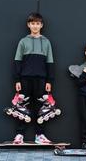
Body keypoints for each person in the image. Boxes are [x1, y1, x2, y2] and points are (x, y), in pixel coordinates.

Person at [12, 12, 55, 144]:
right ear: (28, 25)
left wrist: (49, 80)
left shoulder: (46, 42)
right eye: (32, 23)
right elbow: (17, 61)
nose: (35, 26)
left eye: (37, 23)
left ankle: (39, 135)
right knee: (22, 106)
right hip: (25, 79)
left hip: (41, 80)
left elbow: (50, 63)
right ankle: (19, 135)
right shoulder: (23, 41)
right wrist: (17, 79)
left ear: (41, 25)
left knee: (40, 107)